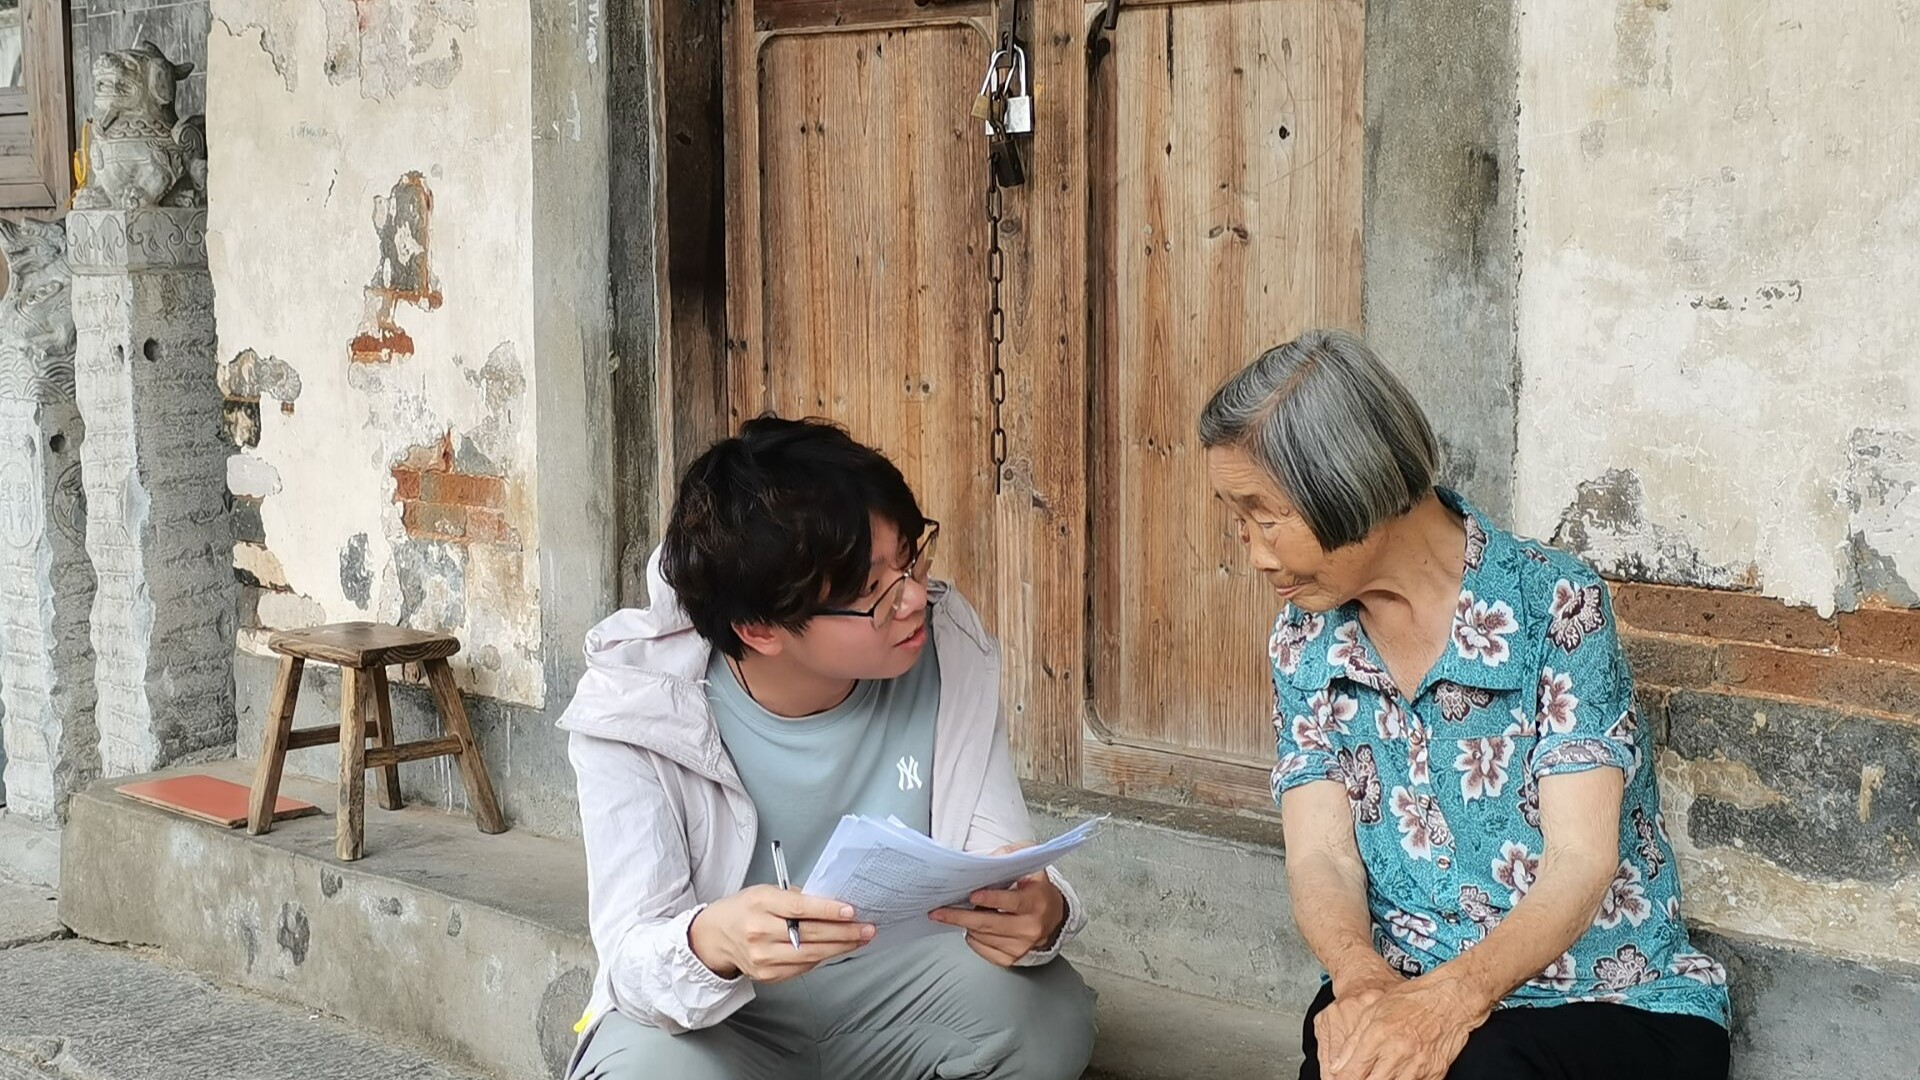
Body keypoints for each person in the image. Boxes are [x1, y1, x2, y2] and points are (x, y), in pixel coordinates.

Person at [1198, 330, 1731, 1080]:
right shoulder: (1304, 638)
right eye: (1239, 521)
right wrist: (1361, 979)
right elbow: (1321, 854)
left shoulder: (1553, 605)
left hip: (1608, 996)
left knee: (1485, 1069)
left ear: (1349, 485)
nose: (1255, 554)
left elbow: (1580, 860)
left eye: (1267, 518)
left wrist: (1448, 1002)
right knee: (1342, 1052)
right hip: (1407, 978)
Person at [557, 416, 1096, 1080]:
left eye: (910, 558)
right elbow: (632, 956)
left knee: (1047, 1016)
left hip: (898, 985)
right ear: (760, 629)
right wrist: (713, 939)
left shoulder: (946, 647)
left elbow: (1000, 856)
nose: (913, 599)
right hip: (727, 1016)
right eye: (872, 591)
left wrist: (1043, 912)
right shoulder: (638, 705)